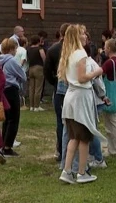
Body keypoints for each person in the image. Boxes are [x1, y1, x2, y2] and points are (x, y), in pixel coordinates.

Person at [58, 25, 106, 184]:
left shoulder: (69, 54)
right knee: (84, 136)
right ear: (78, 36)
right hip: (80, 96)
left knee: (74, 137)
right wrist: (97, 72)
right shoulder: (80, 54)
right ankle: (81, 172)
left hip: (71, 97)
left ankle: (67, 170)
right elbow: (82, 78)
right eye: (83, 33)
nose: (86, 36)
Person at [0, 38, 26, 157]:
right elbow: (22, 76)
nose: (15, 51)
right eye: (15, 49)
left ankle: (3, 143)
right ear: (11, 49)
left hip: (2, 90)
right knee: (14, 118)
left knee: (6, 118)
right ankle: (8, 147)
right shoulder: (12, 61)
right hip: (11, 89)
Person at [45, 23, 70, 162]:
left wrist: (54, 82)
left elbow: (47, 71)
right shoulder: (75, 49)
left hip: (59, 89)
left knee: (61, 121)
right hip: (68, 88)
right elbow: (47, 71)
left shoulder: (53, 49)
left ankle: (61, 151)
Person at [101, 39, 116, 156]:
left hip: (110, 95)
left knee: (111, 124)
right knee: (115, 122)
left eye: (105, 47)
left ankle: (114, 150)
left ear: (109, 49)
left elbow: (100, 72)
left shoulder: (110, 62)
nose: (104, 49)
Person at [26, 35, 46, 112]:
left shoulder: (28, 49)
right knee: (38, 88)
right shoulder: (40, 49)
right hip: (39, 68)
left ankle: (31, 106)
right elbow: (44, 58)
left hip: (31, 68)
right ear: (38, 41)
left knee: (31, 88)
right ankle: (36, 106)